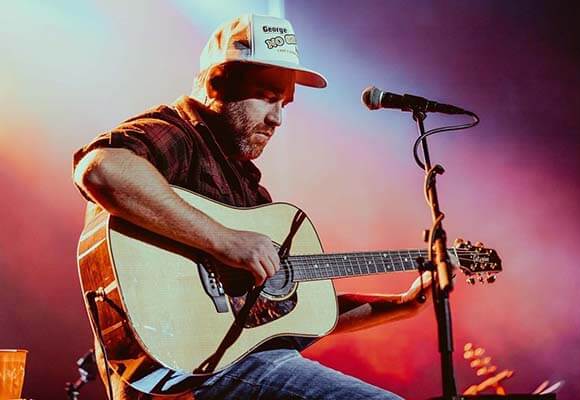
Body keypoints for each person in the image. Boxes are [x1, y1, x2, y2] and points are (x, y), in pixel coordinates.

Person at [73, 14, 432, 400]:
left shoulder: (246, 185)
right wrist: (224, 241)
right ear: (217, 84)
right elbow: (101, 169)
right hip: (199, 367)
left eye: (285, 104)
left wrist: (404, 305)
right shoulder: (179, 133)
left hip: (233, 361)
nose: (278, 118)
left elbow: (297, 314)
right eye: (267, 97)